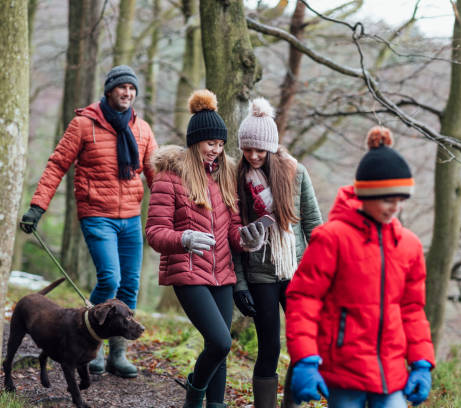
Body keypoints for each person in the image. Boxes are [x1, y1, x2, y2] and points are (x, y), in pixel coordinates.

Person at [19, 65, 158, 378]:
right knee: (110, 277)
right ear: (109, 90)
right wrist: (37, 206)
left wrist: (176, 214)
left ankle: (117, 354)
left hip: (131, 218)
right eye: (122, 88)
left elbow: (157, 178)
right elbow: (57, 165)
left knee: (130, 284)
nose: (128, 93)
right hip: (97, 215)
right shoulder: (84, 124)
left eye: (132, 89)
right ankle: (89, 341)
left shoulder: (143, 129)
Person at [285, 126, 435, 408]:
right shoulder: (332, 238)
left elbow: (412, 309)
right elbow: (304, 299)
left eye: (400, 200)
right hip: (344, 371)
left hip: (391, 373)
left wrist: (421, 362)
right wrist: (305, 359)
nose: (394, 208)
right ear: (366, 195)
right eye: (387, 199)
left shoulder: (410, 246)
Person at [145, 89, 265, 408]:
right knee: (220, 341)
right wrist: (183, 239)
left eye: (221, 144)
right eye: (211, 142)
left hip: (222, 274)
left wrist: (248, 238)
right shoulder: (170, 177)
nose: (217, 150)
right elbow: (154, 233)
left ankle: (215, 404)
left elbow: (234, 230)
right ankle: (194, 389)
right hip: (187, 273)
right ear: (196, 140)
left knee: (220, 350)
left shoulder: (226, 176)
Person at [231, 97, 323, 408]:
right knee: (269, 346)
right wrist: (240, 286)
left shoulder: (295, 173)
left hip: (296, 271)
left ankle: (291, 405)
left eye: (260, 150)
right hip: (259, 275)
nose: (254, 156)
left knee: (302, 344)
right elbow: (233, 239)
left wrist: (322, 274)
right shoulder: (235, 179)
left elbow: (313, 225)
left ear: (271, 147)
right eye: (248, 149)